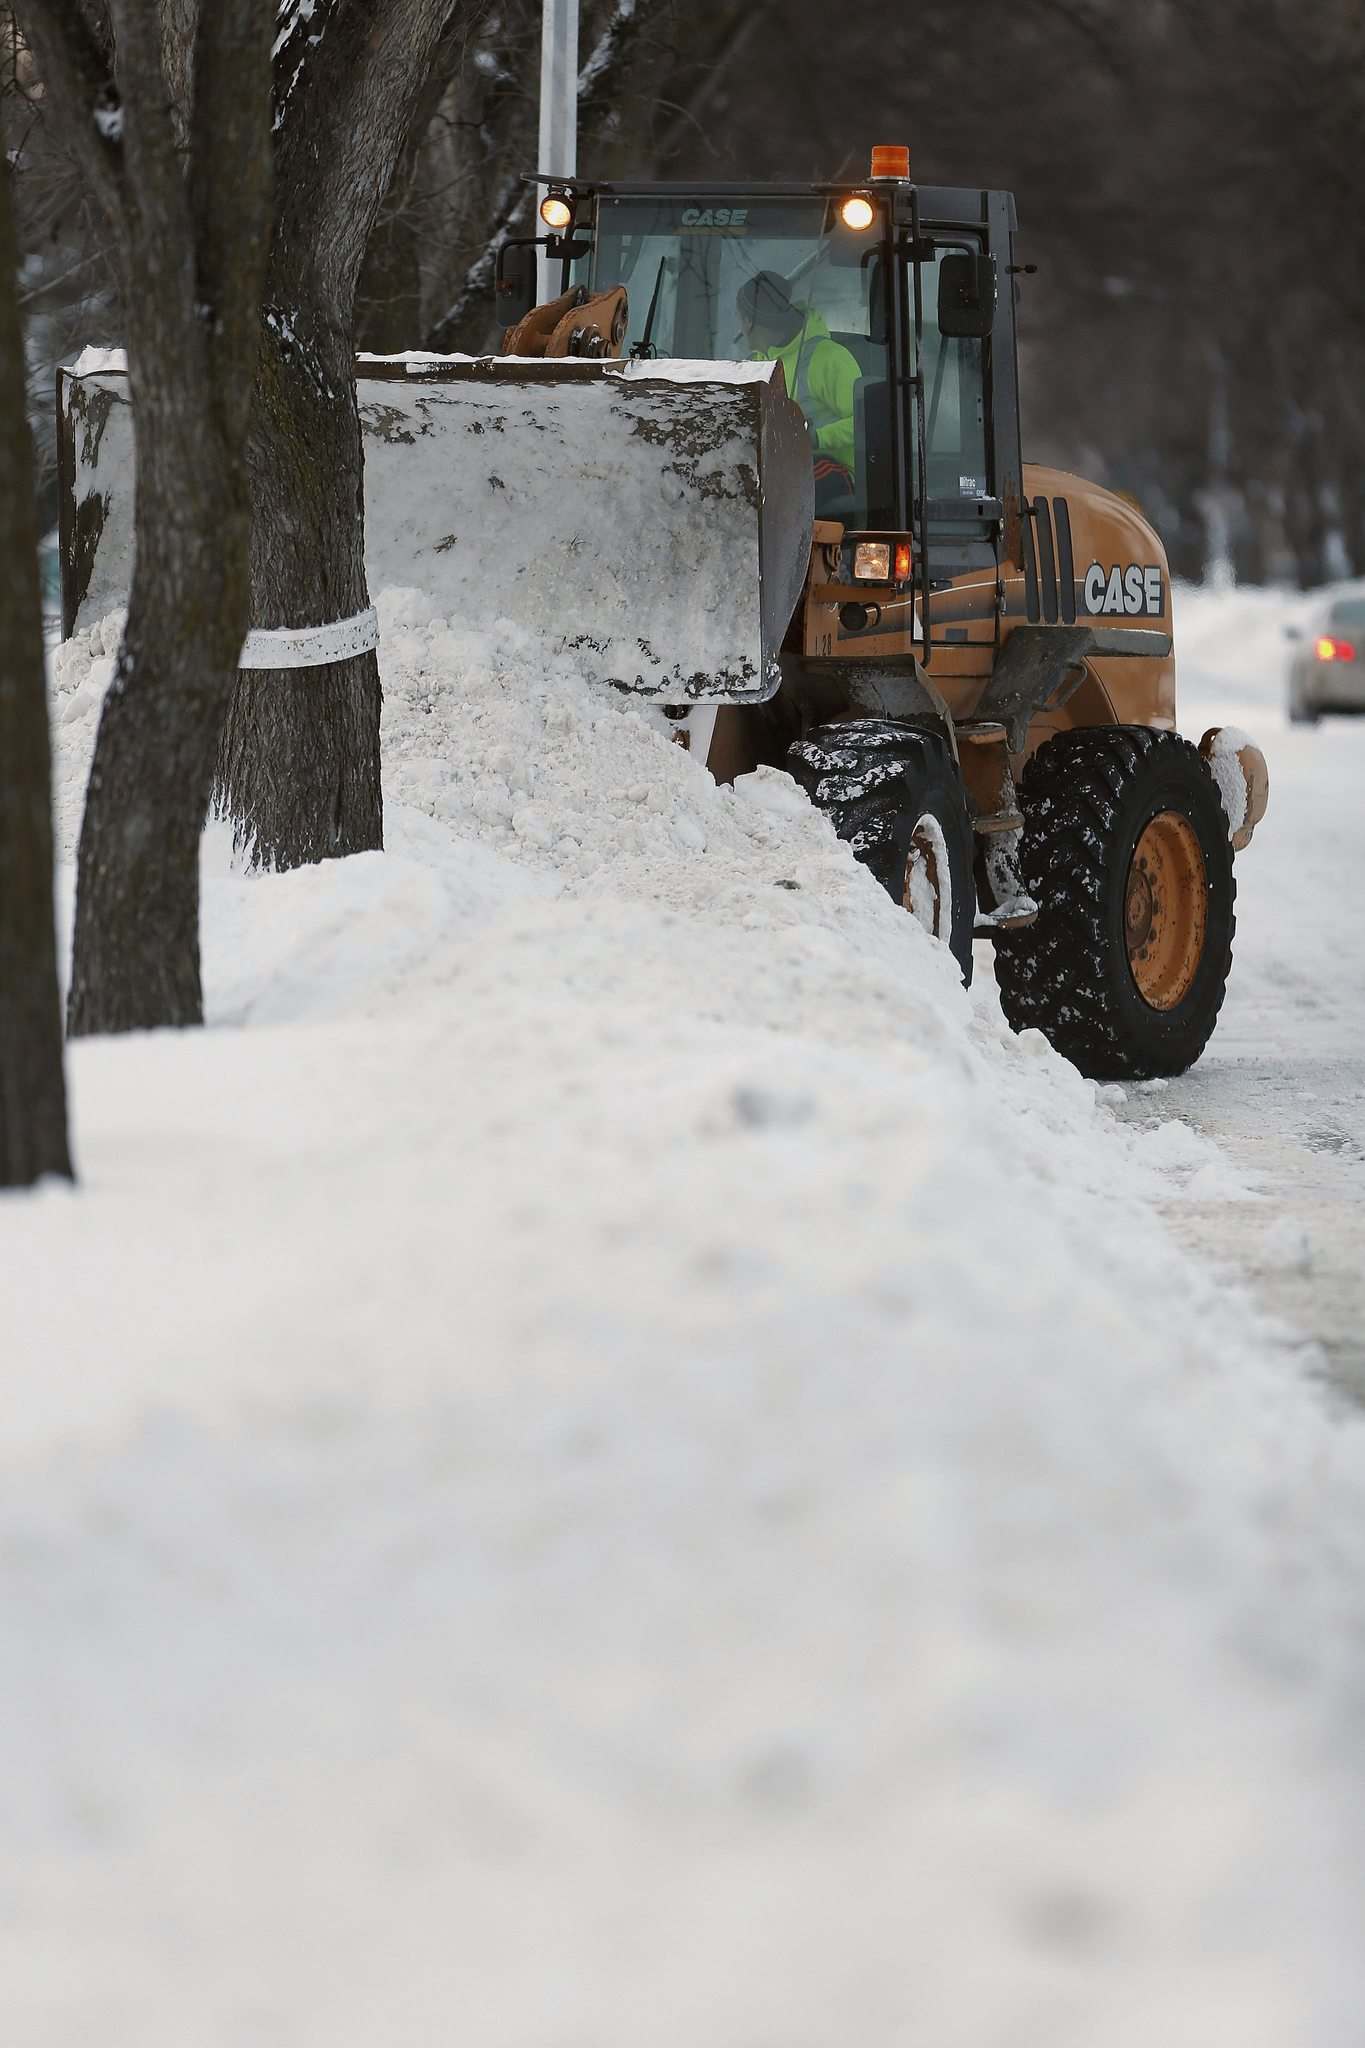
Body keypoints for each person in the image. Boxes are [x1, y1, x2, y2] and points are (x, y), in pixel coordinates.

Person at [736, 270, 862, 505]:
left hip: (834, 474)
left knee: (786, 488)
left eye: (740, 320)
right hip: (778, 470)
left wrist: (818, 437)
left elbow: (866, 423)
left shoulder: (828, 359)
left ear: (748, 322)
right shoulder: (755, 365)